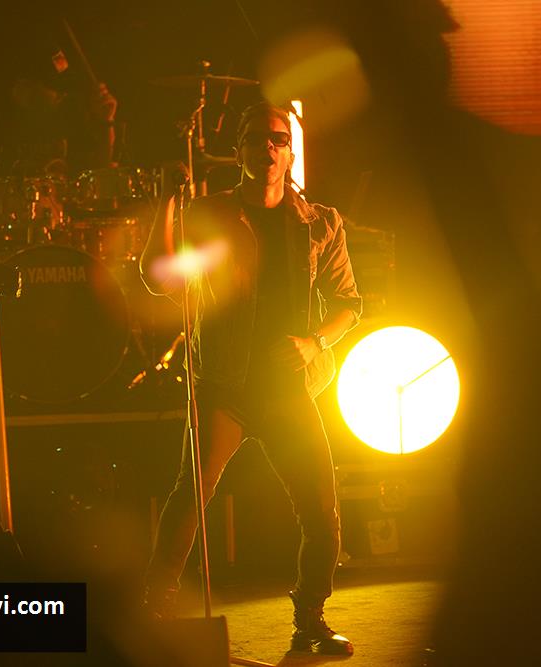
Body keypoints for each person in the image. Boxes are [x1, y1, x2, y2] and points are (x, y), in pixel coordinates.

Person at [138, 101, 361, 655]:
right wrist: (168, 200)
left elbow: (348, 304)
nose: (268, 146)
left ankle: (310, 618)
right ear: (237, 150)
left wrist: (314, 342)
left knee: (322, 510)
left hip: (289, 388)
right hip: (225, 385)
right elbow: (157, 277)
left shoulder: (320, 222)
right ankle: (153, 609)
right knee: (191, 495)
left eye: (278, 138)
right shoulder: (210, 214)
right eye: (257, 137)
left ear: (289, 153)